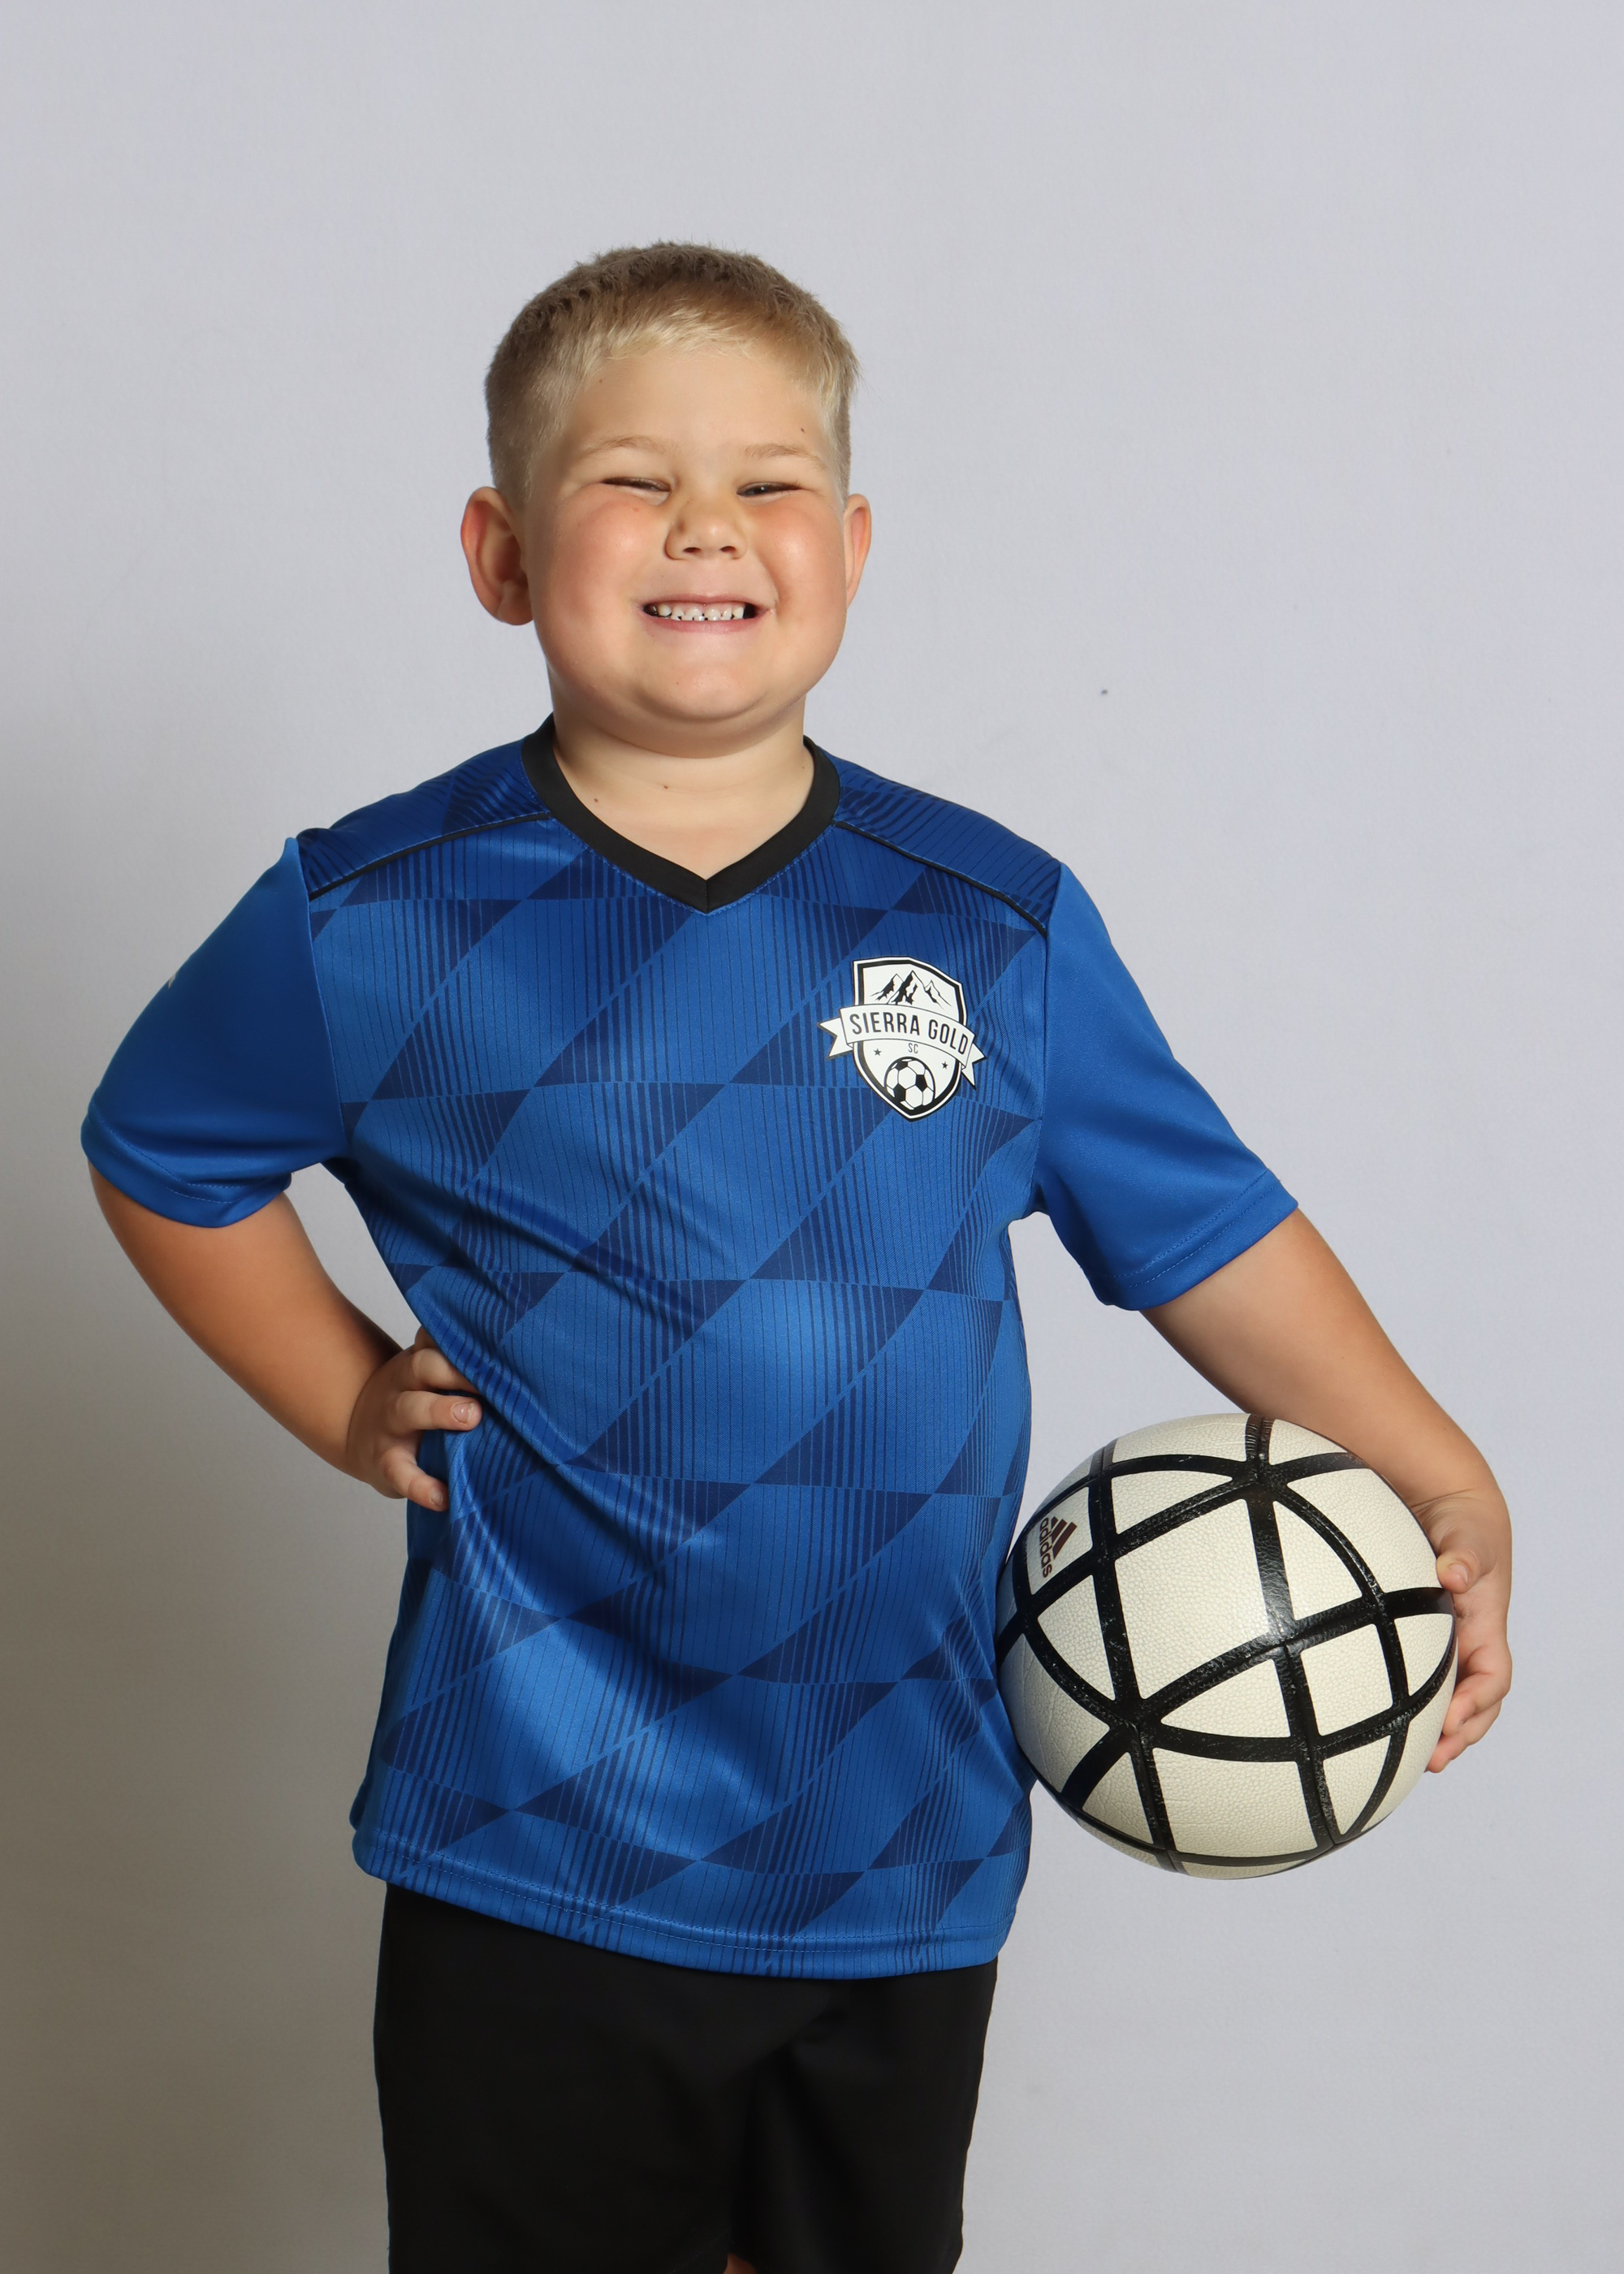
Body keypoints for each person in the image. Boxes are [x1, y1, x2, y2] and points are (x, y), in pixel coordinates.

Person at [82, 243, 1512, 2274]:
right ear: (501, 554)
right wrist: (335, 1388)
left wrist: (1437, 1468)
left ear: (847, 547)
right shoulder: (375, 915)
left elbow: (1204, 1229)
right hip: (536, 1829)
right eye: (630, 479)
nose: (704, 526)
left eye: (766, 483)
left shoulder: (990, 921)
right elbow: (162, 1151)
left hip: (896, 1828)